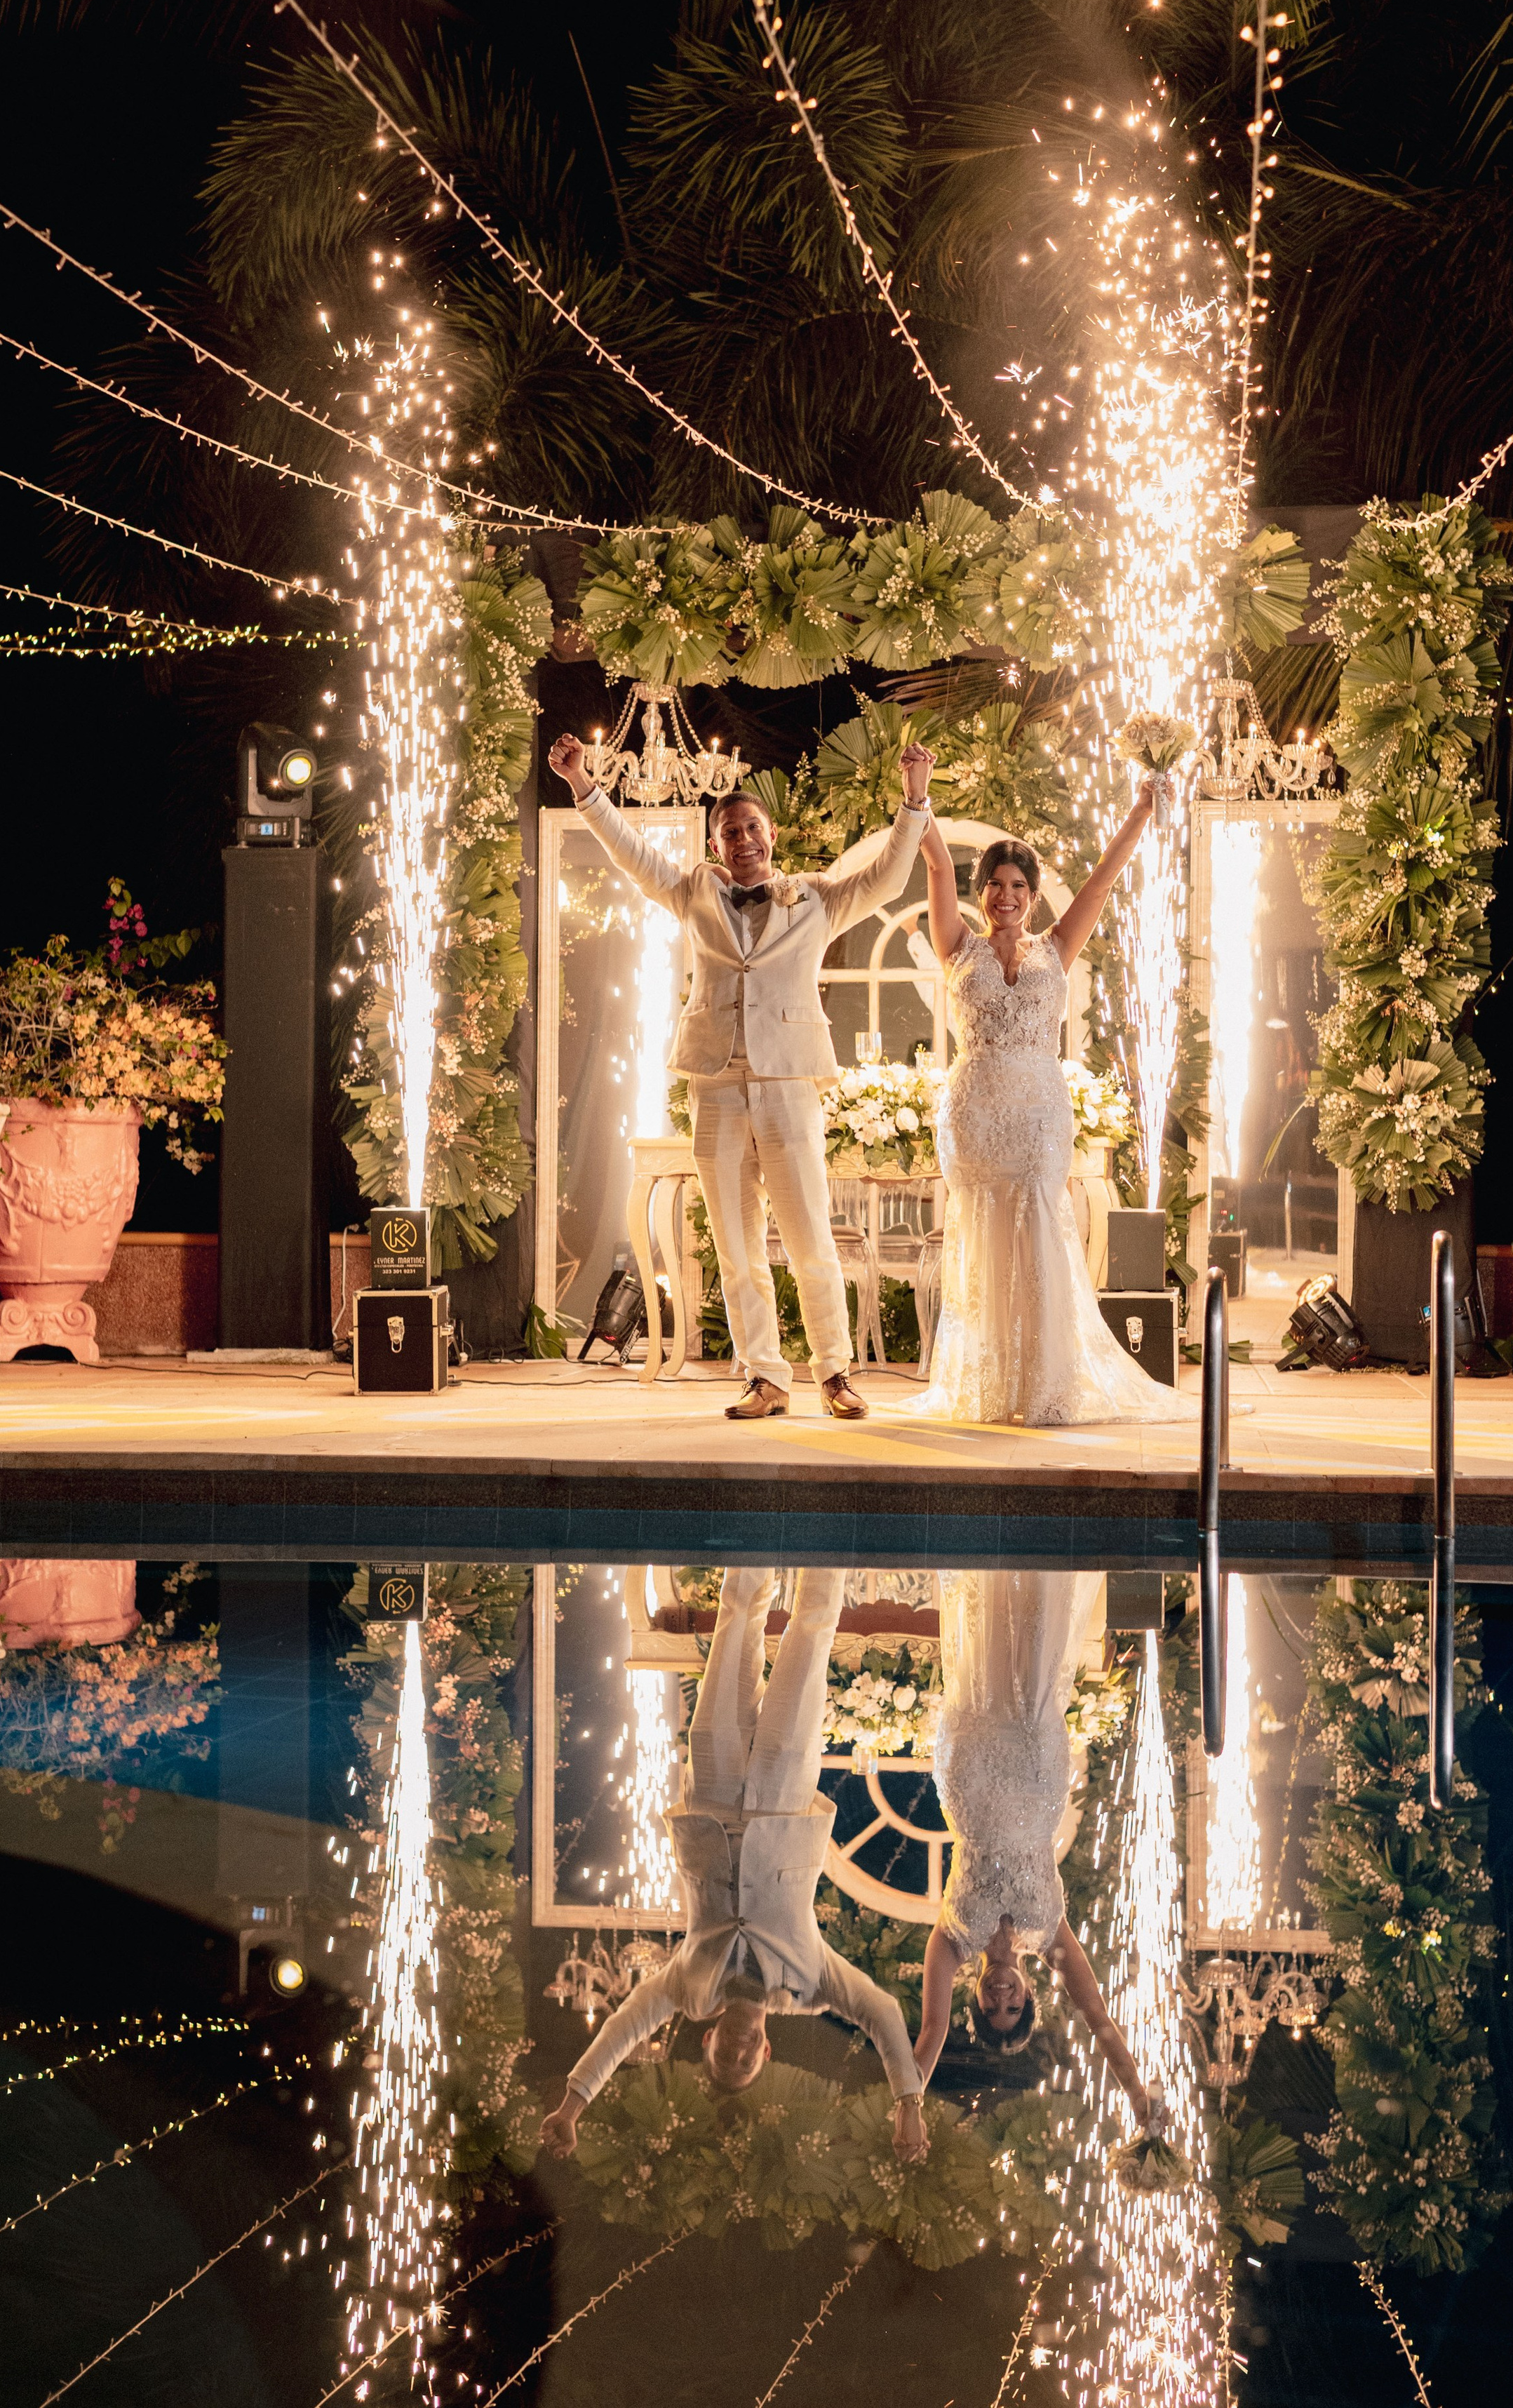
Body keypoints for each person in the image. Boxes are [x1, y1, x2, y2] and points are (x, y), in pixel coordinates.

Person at [548, 733, 934, 1419]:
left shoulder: (814, 899)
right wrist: (584, 784)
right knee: (734, 1241)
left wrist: (913, 801)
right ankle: (765, 1377)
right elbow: (631, 856)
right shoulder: (694, 891)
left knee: (810, 1234)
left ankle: (835, 1373)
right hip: (715, 1085)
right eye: (731, 831)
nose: (744, 838)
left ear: (772, 834)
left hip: (789, 1082)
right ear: (715, 844)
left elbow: (886, 879)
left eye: (753, 827)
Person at [541, 1565, 930, 2162]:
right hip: (782, 1799)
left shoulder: (687, 1986)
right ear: (767, 2051)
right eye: (748, 2061)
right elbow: (879, 2010)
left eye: (727, 2056)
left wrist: (573, 2105)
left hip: (713, 1798)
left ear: (710, 2039)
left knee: (737, 1616)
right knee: (813, 1630)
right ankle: (825, 1516)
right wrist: (908, 2101)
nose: (739, 2052)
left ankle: (758, 1504)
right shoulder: (810, 1985)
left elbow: (623, 2028)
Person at [907, 781, 1197, 1425]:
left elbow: (1104, 875)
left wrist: (1142, 811)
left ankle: (1044, 1385)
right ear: (981, 893)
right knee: (983, 1238)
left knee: (1039, 1234)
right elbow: (932, 860)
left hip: (1039, 1113)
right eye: (994, 885)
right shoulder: (957, 945)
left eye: (1017, 886)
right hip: (976, 1114)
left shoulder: (1057, 947)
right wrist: (917, 798)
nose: (1004, 896)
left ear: (1033, 898)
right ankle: (988, 1385)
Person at [912, 1570, 1163, 2135]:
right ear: (1029, 1997)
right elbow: (1097, 2017)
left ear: (975, 2000)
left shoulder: (951, 1943)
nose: (1002, 1997)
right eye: (1014, 2006)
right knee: (1038, 1638)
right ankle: (1049, 1536)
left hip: (972, 1771)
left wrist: (908, 2110)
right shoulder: (1050, 1939)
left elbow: (929, 2037)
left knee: (984, 1643)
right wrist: (1135, 2092)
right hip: (1035, 1771)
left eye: (991, 2007)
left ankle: (988, 1533)